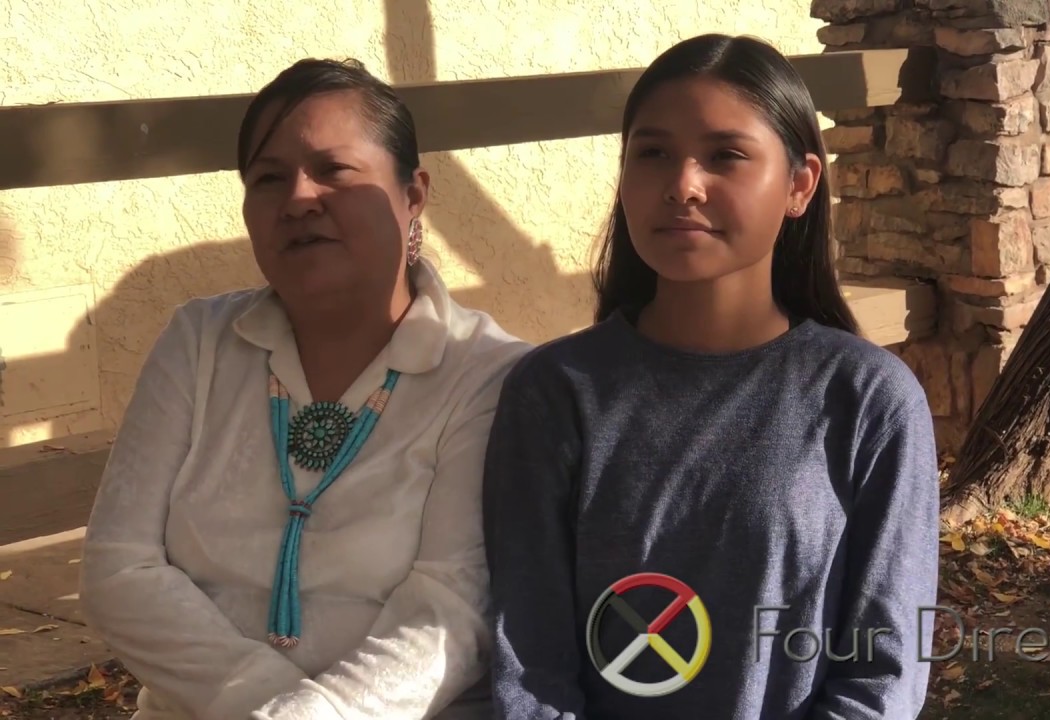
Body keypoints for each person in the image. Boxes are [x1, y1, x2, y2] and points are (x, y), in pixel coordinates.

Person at [481, 33, 940, 719]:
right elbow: (529, 661)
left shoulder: (869, 400)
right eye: (653, 153)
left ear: (800, 184)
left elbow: (884, 672)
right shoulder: (554, 393)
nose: (682, 185)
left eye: (726, 155)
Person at [79, 58, 530, 720]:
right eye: (268, 178)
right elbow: (118, 569)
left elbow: (451, 611)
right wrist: (268, 706)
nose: (298, 198)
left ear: (413, 195)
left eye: (334, 170)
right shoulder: (199, 342)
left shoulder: (488, 374)